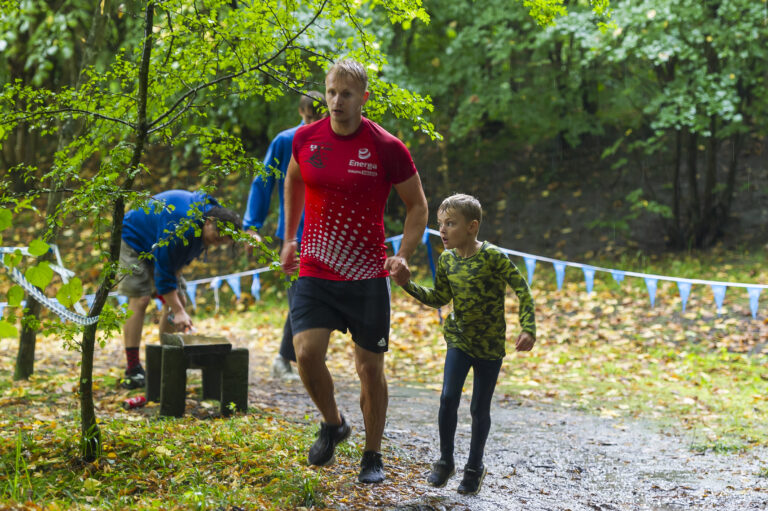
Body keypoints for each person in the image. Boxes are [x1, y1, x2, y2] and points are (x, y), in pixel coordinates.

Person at [280, 59, 428, 483]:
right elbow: (293, 180)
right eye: (330, 92)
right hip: (316, 267)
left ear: (364, 97)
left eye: (346, 94)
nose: (336, 101)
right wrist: (290, 237)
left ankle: (372, 455)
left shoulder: (386, 147)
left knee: (369, 369)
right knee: (305, 352)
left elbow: (418, 206)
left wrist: (402, 253)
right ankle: (333, 423)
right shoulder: (306, 139)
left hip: (366, 273)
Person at [391, 193, 536, 495]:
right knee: (447, 399)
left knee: (479, 409)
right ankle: (445, 462)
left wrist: (529, 328)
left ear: (472, 226)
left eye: (450, 224)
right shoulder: (446, 260)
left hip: (490, 346)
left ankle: (474, 467)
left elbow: (522, 288)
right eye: (440, 224)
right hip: (458, 339)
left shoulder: (492, 256)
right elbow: (440, 298)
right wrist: (407, 285)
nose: (442, 231)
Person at [118, 189, 242, 389]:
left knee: (179, 301)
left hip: (160, 241)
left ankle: (164, 363)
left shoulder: (210, 219)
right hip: (135, 237)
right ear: (208, 222)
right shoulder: (180, 227)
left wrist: (177, 307)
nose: (217, 245)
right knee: (140, 299)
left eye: (222, 243)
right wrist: (178, 310)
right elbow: (164, 270)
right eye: (217, 239)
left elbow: (174, 267)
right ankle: (132, 369)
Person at [243, 91, 325, 381]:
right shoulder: (286, 141)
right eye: (311, 116)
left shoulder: (335, 140)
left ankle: (292, 358)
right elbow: (263, 182)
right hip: (295, 234)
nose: (315, 121)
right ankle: (288, 359)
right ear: (302, 113)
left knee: (317, 299)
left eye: (320, 116)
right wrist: (252, 225)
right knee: (302, 298)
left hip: (327, 232)